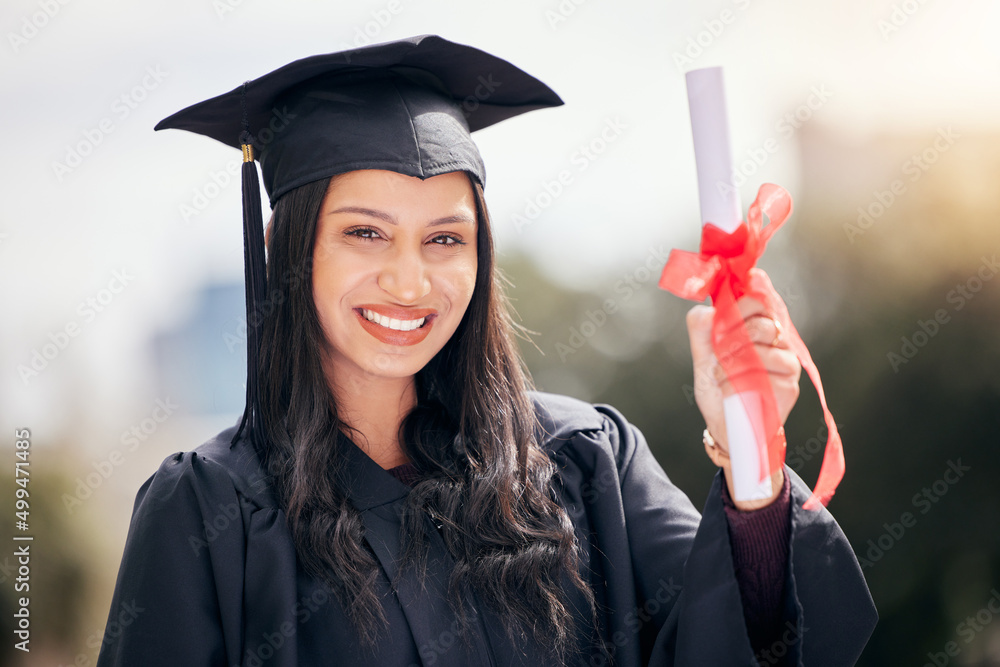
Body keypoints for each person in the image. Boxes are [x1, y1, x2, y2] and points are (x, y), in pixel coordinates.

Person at [96, 35, 876, 666]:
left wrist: (753, 461)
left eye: (446, 238)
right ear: (284, 249)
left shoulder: (584, 464)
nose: (410, 280)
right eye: (365, 232)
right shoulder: (209, 513)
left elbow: (762, 641)